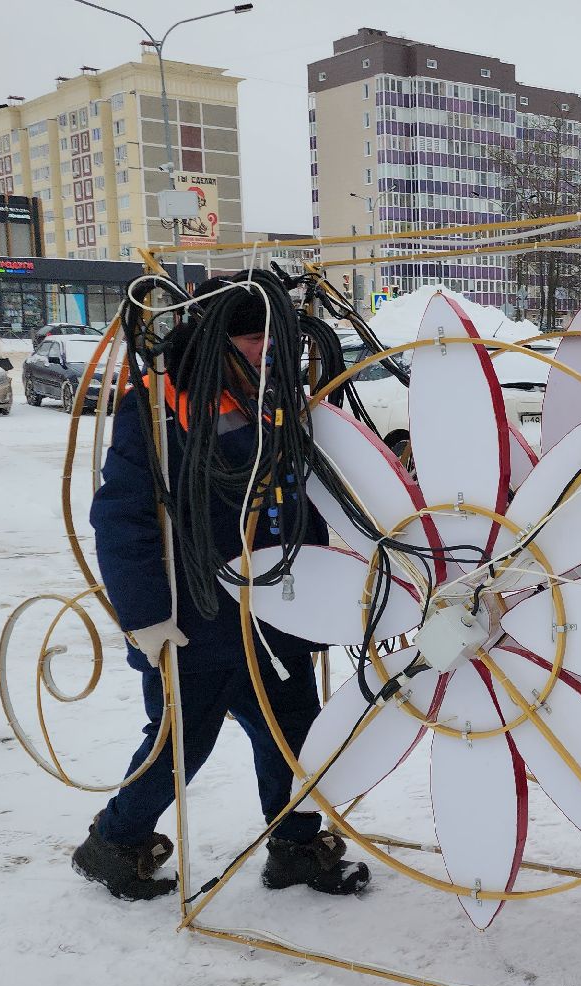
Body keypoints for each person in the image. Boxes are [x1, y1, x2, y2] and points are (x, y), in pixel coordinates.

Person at [71, 286, 370, 902]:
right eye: (251, 339)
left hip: (273, 617)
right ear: (215, 338)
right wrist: (146, 618)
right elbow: (122, 518)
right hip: (196, 623)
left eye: (270, 338)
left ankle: (294, 845)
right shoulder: (157, 408)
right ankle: (114, 842)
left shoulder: (274, 401)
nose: (265, 351)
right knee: (180, 744)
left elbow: (303, 490)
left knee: (295, 736)